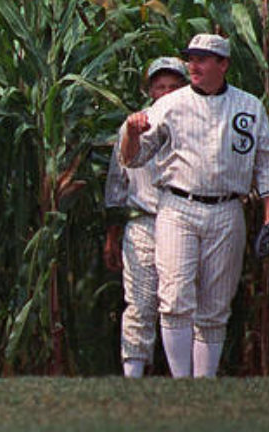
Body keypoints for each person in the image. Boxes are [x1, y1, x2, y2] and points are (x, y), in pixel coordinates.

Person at [121, 34, 269, 378]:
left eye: (202, 59)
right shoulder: (169, 104)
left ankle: (205, 384)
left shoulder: (249, 106)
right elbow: (133, 159)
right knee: (175, 298)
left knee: (214, 306)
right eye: (191, 59)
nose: (193, 66)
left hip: (228, 209)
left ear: (223, 64)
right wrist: (133, 134)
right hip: (178, 206)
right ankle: (183, 384)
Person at [103, 56, 188, 378]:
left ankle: (186, 375)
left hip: (183, 219)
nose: (166, 92)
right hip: (143, 221)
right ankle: (133, 373)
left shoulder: (195, 124)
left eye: (173, 86)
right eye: (160, 86)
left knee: (179, 301)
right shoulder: (133, 126)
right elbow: (116, 184)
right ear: (150, 89)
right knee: (139, 301)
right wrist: (112, 233)